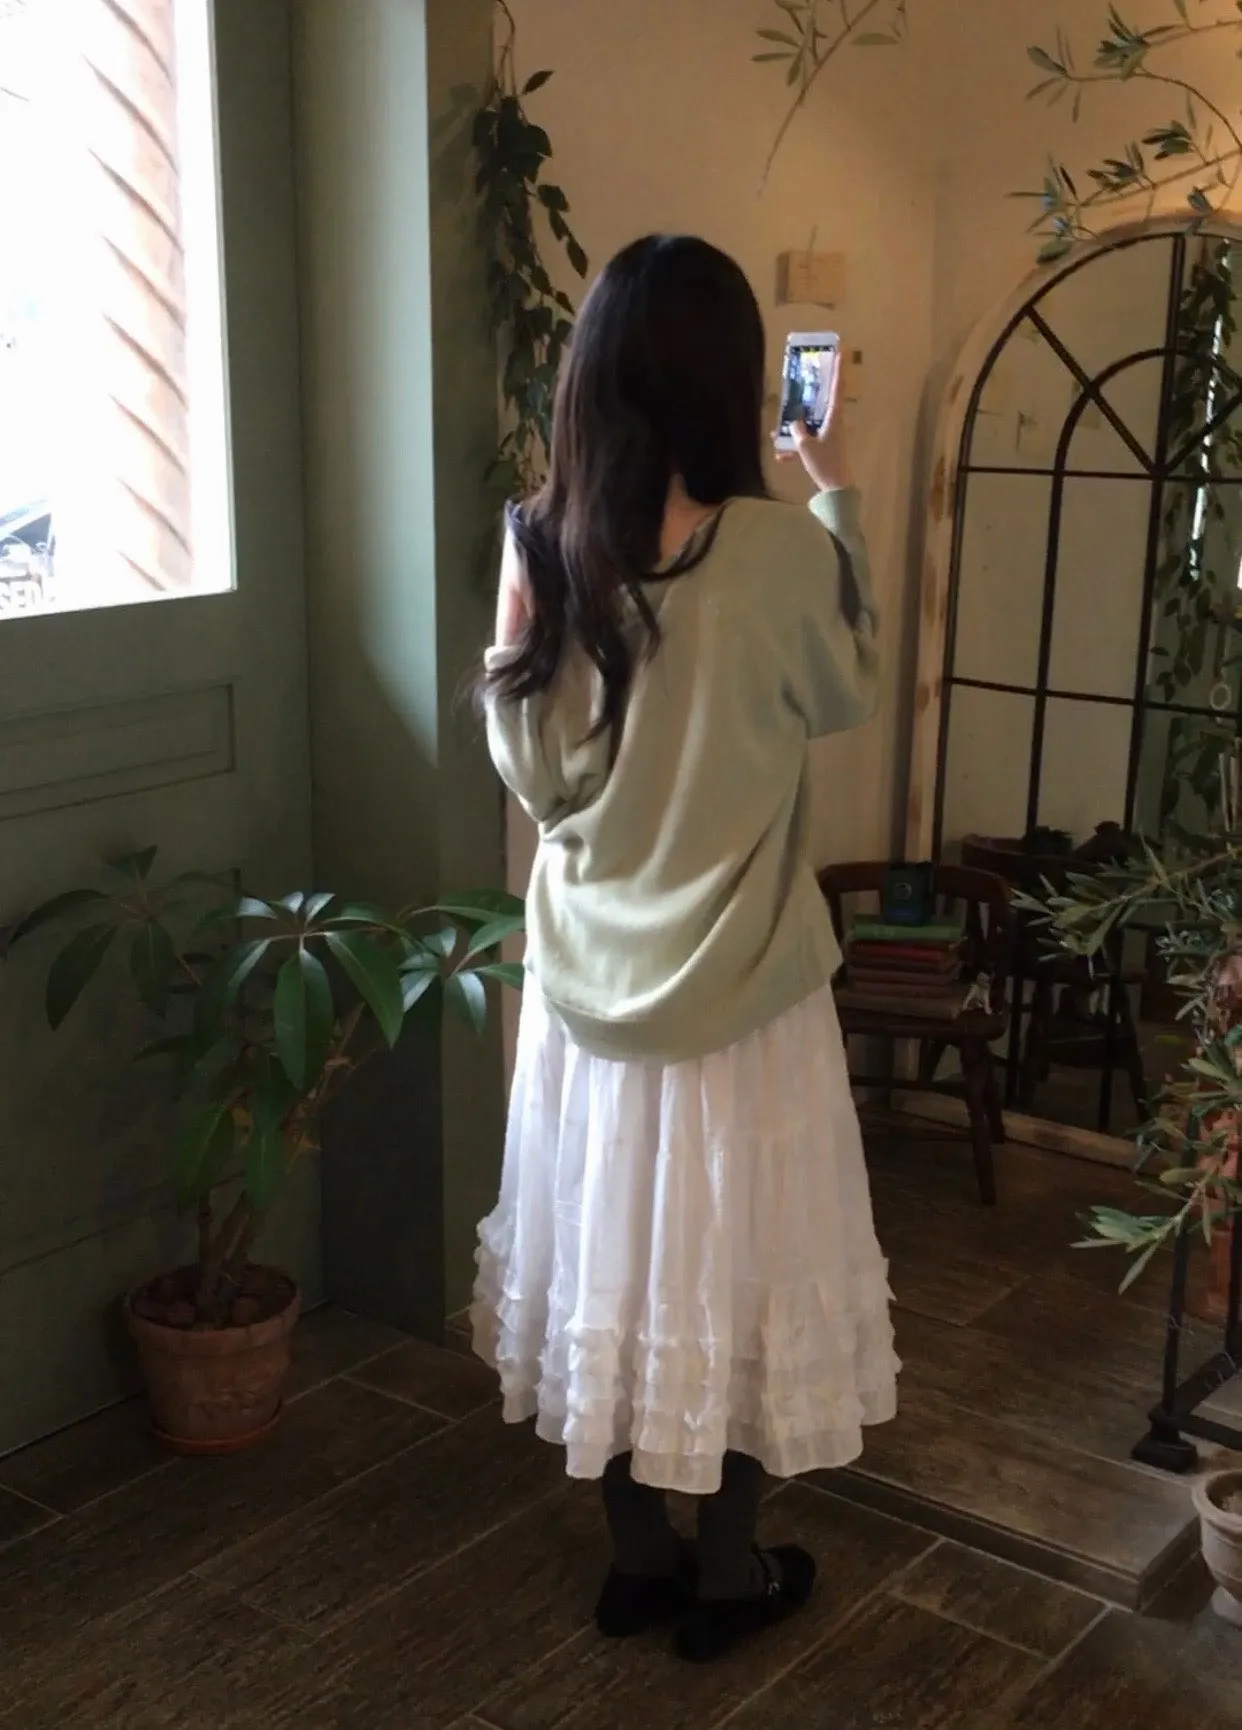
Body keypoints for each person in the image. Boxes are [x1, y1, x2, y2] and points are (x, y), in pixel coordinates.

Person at [471, 234, 898, 1664]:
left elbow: (539, 778)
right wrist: (837, 490)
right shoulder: (780, 553)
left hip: (589, 1005)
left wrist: (517, 605)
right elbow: (849, 683)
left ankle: (635, 1563)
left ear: (589, 378)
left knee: (608, 1270)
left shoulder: (544, 543)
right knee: (740, 1281)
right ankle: (726, 1575)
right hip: (749, 1006)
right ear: (733, 382)